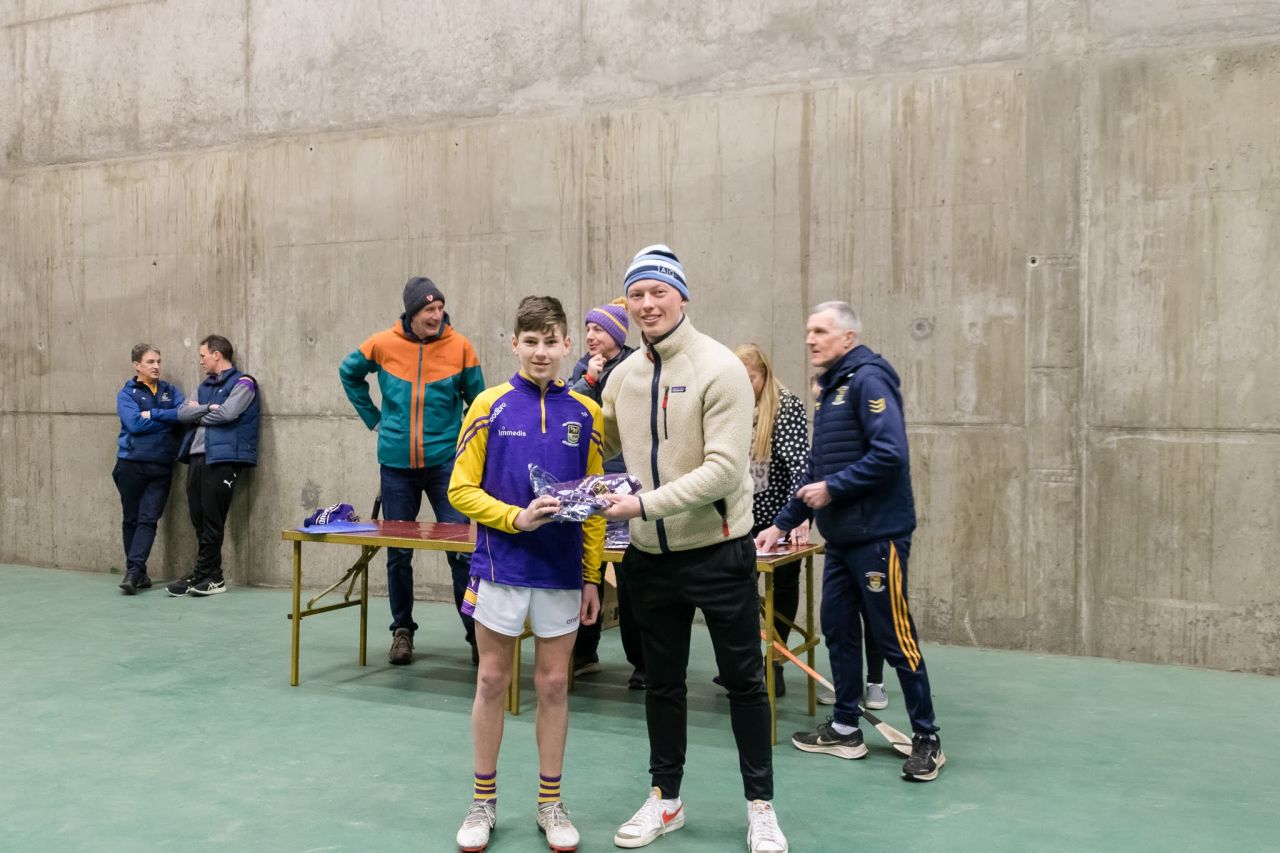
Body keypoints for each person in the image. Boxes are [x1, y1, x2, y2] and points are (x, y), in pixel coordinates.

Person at [601, 245, 787, 853]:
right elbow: (600, 443)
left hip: (717, 552)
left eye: (659, 291)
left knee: (744, 683)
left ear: (682, 295)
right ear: (625, 304)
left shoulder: (720, 369)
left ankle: (761, 807)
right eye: (636, 294)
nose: (648, 303)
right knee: (662, 683)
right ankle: (667, 800)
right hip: (649, 559)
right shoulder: (622, 378)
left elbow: (725, 471)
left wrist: (640, 507)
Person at [756, 301, 945, 781]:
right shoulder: (833, 389)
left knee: (893, 634)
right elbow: (816, 469)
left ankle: (926, 738)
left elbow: (890, 454)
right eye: (808, 331)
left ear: (848, 337)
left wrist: (834, 489)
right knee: (837, 627)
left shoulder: (869, 380)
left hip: (878, 537)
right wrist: (780, 525)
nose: (810, 339)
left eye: (820, 331)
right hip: (840, 539)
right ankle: (844, 727)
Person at [448, 296, 603, 853]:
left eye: (551, 340)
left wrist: (591, 576)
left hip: (561, 573)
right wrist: (516, 517)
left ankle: (550, 803)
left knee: (555, 685)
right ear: (514, 344)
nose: (541, 351)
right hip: (500, 566)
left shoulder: (587, 413)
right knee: (492, 680)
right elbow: (459, 489)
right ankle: (483, 801)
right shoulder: (489, 406)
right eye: (530, 341)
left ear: (568, 346)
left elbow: (593, 502)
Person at [339, 276, 485, 665]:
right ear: (411, 312)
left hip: (445, 466)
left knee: (463, 554)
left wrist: (465, 445)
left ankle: (475, 635)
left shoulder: (461, 347)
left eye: (439, 309)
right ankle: (402, 631)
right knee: (399, 553)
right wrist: (373, 418)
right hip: (396, 467)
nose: (436, 316)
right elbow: (348, 372)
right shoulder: (382, 344)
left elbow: (481, 403)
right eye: (427, 310)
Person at [567, 300, 645, 688]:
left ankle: (641, 663)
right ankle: (585, 652)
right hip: (592, 483)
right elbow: (570, 408)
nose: (591, 336)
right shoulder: (585, 368)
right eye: (588, 330)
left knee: (631, 575)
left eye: (598, 330)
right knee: (589, 567)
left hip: (628, 482)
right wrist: (590, 381)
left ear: (615, 333)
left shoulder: (636, 365)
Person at [732, 343, 809, 698]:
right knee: (740, 590)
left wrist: (798, 517)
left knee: (782, 588)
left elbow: (799, 467)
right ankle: (748, 661)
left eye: (751, 378)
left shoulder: (786, 406)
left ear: (764, 374)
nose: (745, 385)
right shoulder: (735, 407)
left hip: (779, 517)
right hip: (743, 517)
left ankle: (774, 665)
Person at [166, 335, 260, 597]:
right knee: (198, 517)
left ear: (217, 354)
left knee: (212, 519)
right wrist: (208, 408)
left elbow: (229, 413)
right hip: (196, 456)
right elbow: (183, 413)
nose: (200, 361)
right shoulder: (204, 386)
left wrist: (200, 414)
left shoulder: (244, 383)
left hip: (223, 458)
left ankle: (209, 575)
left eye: (203, 355)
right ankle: (207, 573)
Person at [113, 344, 186, 594]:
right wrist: (166, 421)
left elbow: (182, 415)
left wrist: (152, 415)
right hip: (131, 464)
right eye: (150, 362)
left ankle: (134, 572)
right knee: (132, 519)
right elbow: (134, 425)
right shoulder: (127, 394)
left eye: (158, 361)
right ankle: (137, 572)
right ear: (137, 365)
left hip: (162, 466)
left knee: (148, 519)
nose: (156, 366)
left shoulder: (169, 391)